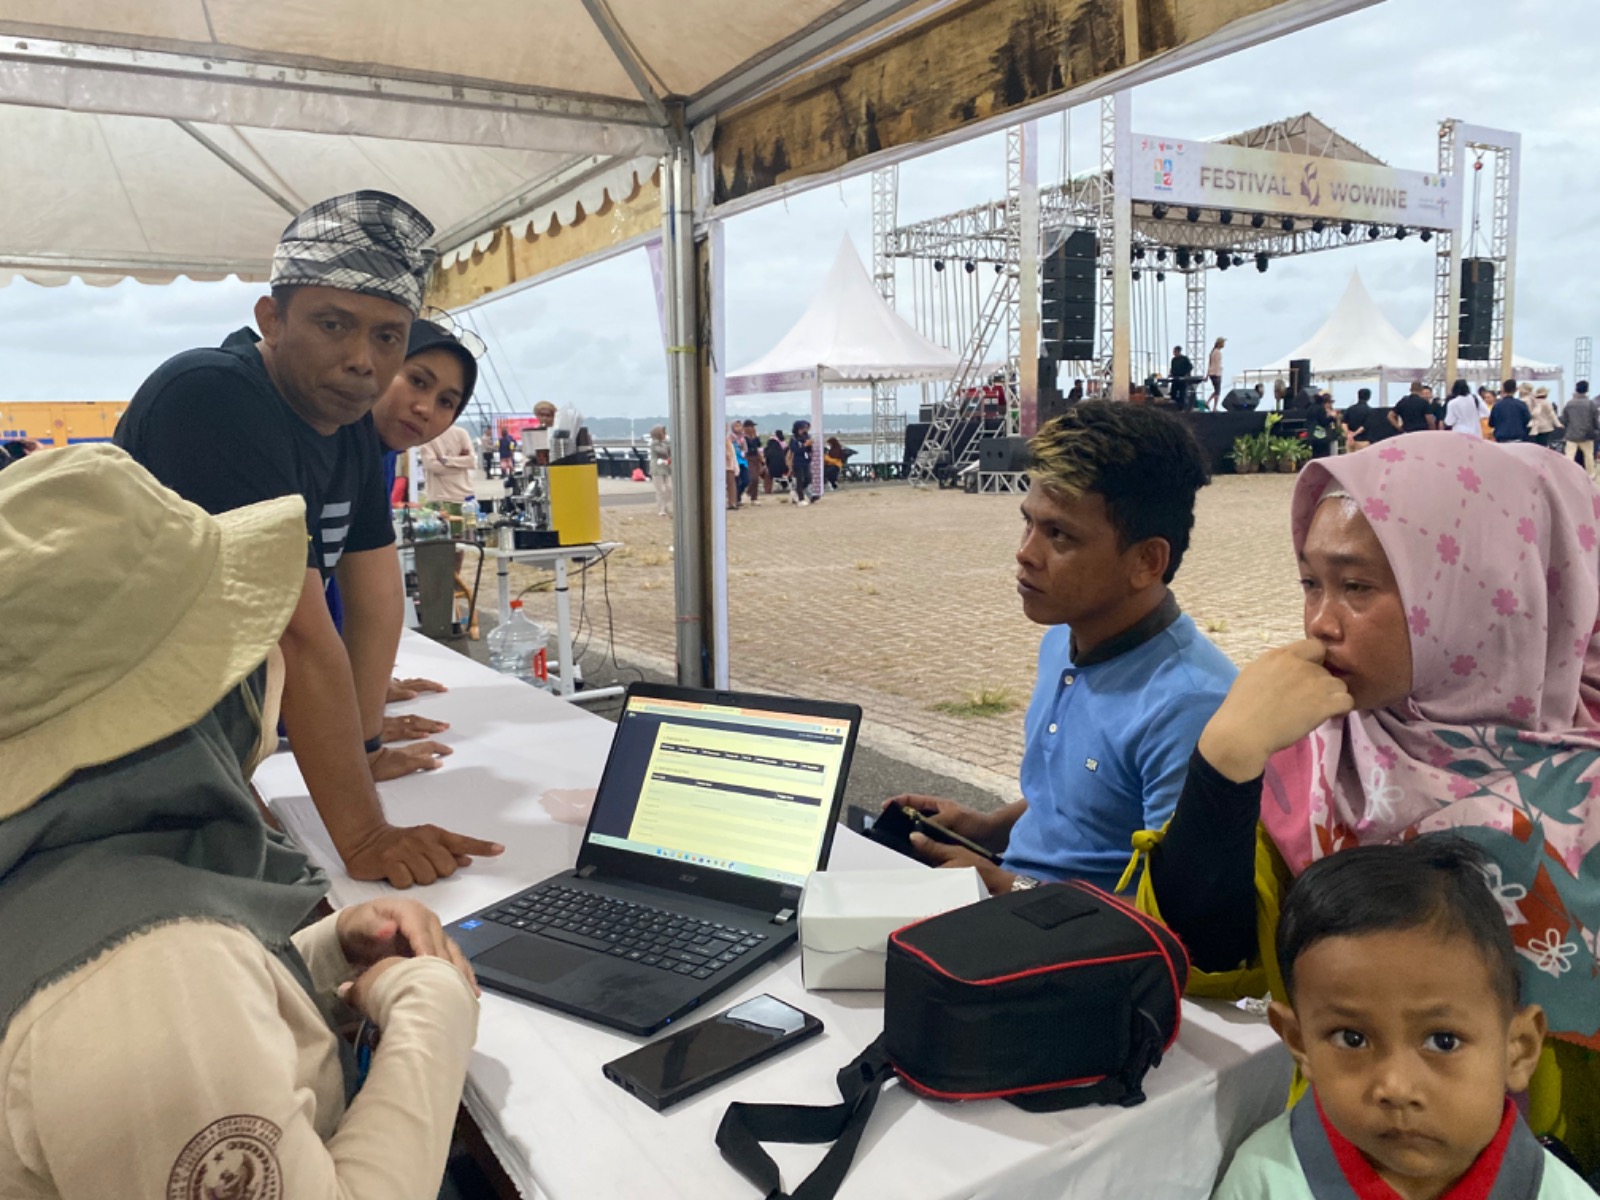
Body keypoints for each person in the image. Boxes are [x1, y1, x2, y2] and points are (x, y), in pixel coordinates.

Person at [0, 445, 484, 1198]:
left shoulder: (70, 871)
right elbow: (164, 998)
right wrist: (429, 1000)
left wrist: (323, 956)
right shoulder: (152, 986)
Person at [1139, 435, 1600, 1173]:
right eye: (1310, 583)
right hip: (1338, 1166)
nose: (1320, 622)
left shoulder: (1586, 791)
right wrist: (1224, 764)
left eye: (1356, 587)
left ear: (1488, 593)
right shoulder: (1314, 756)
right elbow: (1199, 958)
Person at [114, 190, 501, 888]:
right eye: (332, 324)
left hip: (203, 728)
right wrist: (366, 834)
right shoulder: (213, 396)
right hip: (103, 733)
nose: (362, 360)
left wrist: (367, 745)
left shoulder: (346, 427)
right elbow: (297, 632)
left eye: (387, 337)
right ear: (272, 318)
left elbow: (376, 597)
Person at [886, 404, 1237, 895]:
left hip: (1079, 936)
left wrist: (1007, 888)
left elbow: (1178, 918)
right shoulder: (1063, 641)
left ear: (1147, 561)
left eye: (1059, 535)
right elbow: (1081, 806)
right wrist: (988, 827)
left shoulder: (1190, 707)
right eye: (1028, 523)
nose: (1026, 552)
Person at [1215, 837, 1590, 1199]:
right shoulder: (1263, 1181)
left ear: (1518, 1050)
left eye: (1443, 1041)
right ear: (1299, 1043)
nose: (1396, 1088)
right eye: (1351, 1039)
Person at [1561, 380, 1597, 479]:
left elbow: (1564, 419)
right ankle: (1591, 475)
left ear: (1576, 389)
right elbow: (1595, 420)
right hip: (1586, 434)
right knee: (1588, 456)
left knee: (1569, 456)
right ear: (1587, 390)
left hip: (1571, 434)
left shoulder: (1570, 403)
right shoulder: (1591, 404)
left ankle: (1568, 475)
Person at [1489, 378, 1532, 444]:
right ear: (1515, 390)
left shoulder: (1497, 405)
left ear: (1503, 389)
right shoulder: (1521, 404)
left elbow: (1491, 423)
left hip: (1501, 439)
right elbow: (1528, 419)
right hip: (1518, 438)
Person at [789, 420, 815, 506]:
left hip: (806, 460)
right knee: (800, 479)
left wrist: (810, 445)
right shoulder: (793, 439)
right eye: (802, 428)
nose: (804, 430)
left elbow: (809, 450)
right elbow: (795, 450)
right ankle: (801, 499)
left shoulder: (806, 437)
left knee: (808, 479)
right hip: (798, 461)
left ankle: (796, 493)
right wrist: (804, 445)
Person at [1307, 393, 1341, 459]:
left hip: (1313, 436)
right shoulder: (1321, 409)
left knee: (1315, 455)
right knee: (1324, 456)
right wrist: (1332, 418)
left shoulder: (1311, 408)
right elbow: (1323, 422)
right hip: (1322, 437)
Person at [648, 424, 672, 517]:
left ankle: (665, 506)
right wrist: (669, 445)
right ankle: (661, 509)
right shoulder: (654, 443)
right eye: (663, 432)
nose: (665, 434)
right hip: (657, 468)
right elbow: (662, 451)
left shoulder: (667, 442)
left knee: (669, 488)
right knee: (660, 489)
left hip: (666, 467)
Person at [742, 419, 765, 505]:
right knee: (753, 477)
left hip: (756, 458)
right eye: (751, 426)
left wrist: (761, 458)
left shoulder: (756, 437)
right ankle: (747, 494)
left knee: (757, 478)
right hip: (748, 458)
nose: (753, 428)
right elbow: (744, 449)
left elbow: (759, 447)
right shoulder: (744, 438)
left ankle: (754, 498)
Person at [725, 420, 744, 511]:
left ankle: (733, 503)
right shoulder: (725, 440)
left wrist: (735, 467)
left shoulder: (728, 440)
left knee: (732, 485)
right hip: (724, 466)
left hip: (730, 466)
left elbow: (733, 455)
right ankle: (730, 503)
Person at [765, 429, 789, 495]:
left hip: (772, 472)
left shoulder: (768, 450)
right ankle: (785, 485)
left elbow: (767, 461)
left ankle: (768, 490)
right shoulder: (783, 445)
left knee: (767, 472)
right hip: (783, 470)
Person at [1207, 337, 1226, 410]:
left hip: (1212, 373)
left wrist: (1207, 374)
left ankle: (1208, 402)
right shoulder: (1218, 352)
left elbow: (1210, 364)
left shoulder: (1213, 352)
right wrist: (1219, 372)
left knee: (1216, 390)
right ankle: (1214, 407)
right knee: (1217, 391)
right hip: (1216, 373)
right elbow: (1217, 364)